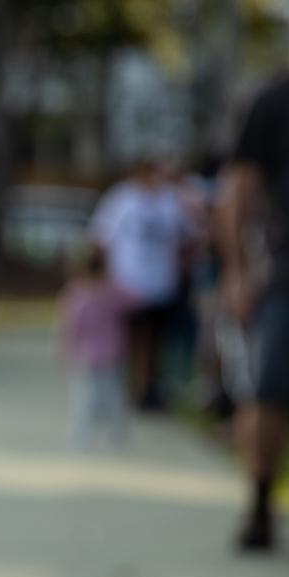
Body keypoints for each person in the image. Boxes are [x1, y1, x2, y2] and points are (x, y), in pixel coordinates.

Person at [218, 21, 289, 553]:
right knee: (268, 396)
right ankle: (260, 503)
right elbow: (238, 194)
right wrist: (236, 272)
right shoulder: (274, 102)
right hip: (286, 273)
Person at [89, 156, 199, 411]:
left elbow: (188, 236)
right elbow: (100, 237)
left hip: (161, 284)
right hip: (127, 283)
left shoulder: (170, 200)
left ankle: (148, 387)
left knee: (154, 339)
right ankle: (125, 386)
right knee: (128, 337)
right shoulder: (121, 199)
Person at [59, 244, 134, 449]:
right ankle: (117, 433)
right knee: (114, 394)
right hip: (113, 350)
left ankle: (81, 433)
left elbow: (71, 325)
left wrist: (66, 349)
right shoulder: (113, 290)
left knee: (83, 396)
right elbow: (134, 302)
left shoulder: (76, 292)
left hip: (85, 352)